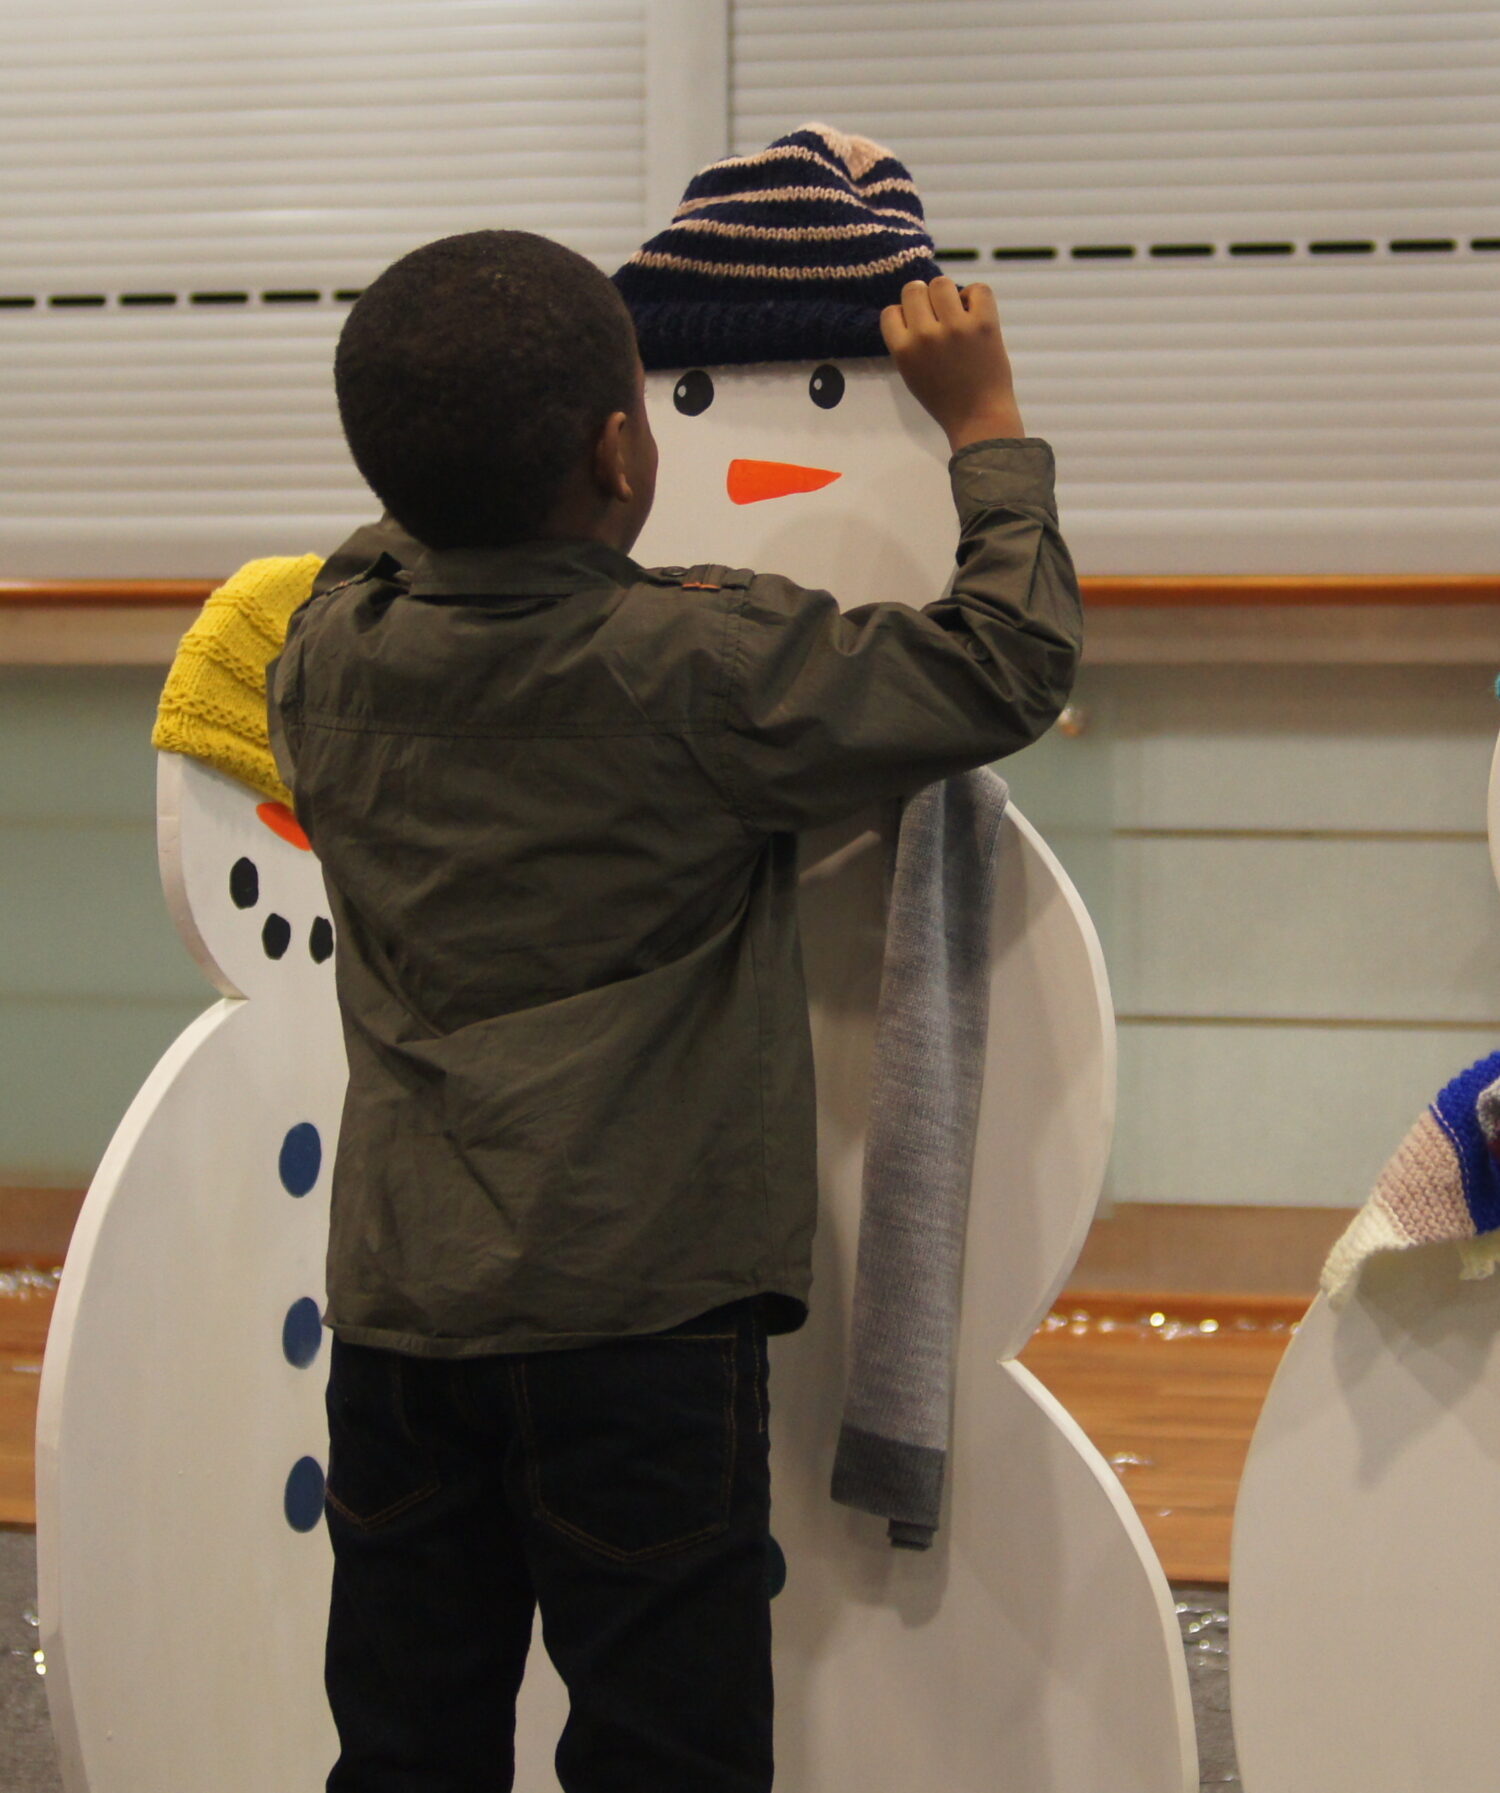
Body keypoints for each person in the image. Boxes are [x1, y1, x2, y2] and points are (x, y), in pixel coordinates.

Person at [272, 227, 1077, 1792]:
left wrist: (468, 427)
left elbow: (394, 524)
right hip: (635, 1339)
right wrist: (983, 423)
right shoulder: (699, 665)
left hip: (399, 1321)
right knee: (668, 1748)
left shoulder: (322, 661)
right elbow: (1006, 664)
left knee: (402, 1737)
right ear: (625, 446)